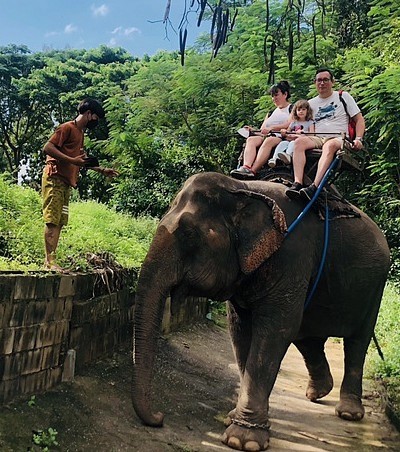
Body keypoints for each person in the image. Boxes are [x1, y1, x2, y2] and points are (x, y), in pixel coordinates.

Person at [42, 98, 119, 271]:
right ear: (88, 113)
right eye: (96, 117)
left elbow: (81, 160)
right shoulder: (66, 128)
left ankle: (51, 261)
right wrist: (72, 160)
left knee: (60, 221)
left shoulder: (80, 134)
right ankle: (49, 263)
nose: (96, 121)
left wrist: (102, 170)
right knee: (52, 221)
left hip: (66, 182)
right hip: (54, 178)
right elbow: (47, 147)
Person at [286, 68, 365, 200]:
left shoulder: (343, 96)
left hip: (338, 138)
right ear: (315, 82)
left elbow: (359, 119)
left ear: (332, 82)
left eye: (325, 80)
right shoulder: (310, 103)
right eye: (319, 80)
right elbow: (294, 122)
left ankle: (314, 186)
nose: (322, 83)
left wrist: (358, 138)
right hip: (316, 137)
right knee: (299, 142)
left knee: (329, 146)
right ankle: (297, 182)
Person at [230, 80, 292, 179]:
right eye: (272, 96)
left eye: (276, 95)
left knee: (269, 141)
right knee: (251, 140)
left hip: (280, 137)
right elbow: (262, 129)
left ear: (285, 94)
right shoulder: (271, 112)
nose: (274, 98)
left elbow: (290, 123)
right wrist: (252, 130)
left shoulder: (292, 109)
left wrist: (272, 128)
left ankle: (253, 170)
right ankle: (246, 166)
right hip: (265, 135)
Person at [268, 99, 315, 168]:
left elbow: (312, 134)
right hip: (290, 139)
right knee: (283, 143)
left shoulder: (310, 122)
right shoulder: (293, 122)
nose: (301, 112)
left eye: (303, 109)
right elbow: (287, 132)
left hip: (300, 141)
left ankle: (288, 155)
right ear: (295, 111)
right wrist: (284, 133)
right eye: (299, 110)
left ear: (307, 111)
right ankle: (274, 158)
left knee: (293, 144)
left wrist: (303, 133)